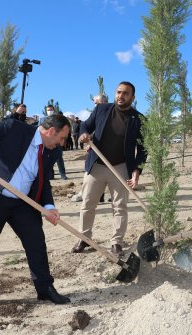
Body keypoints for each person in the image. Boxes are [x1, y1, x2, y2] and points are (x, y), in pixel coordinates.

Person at [0, 114, 72, 316]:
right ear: (51, 131)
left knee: (36, 242)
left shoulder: (52, 153)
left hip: (22, 202)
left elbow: (43, 181)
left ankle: (45, 289)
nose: (63, 143)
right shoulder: (15, 129)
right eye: (62, 138)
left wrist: (48, 206)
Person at [71, 81, 147, 257]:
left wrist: (136, 171)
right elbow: (85, 126)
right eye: (119, 92)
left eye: (125, 93)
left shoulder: (139, 120)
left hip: (120, 168)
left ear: (133, 97)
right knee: (88, 204)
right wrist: (83, 135)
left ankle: (116, 243)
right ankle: (85, 238)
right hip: (96, 165)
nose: (121, 96)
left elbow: (143, 149)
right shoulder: (101, 109)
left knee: (120, 207)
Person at [45, 105, 68, 180]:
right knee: (48, 159)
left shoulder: (58, 119)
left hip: (57, 142)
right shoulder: (43, 120)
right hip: (47, 142)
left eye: (51, 109)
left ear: (54, 110)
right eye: (48, 110)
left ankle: (62, 174)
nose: (49, 111)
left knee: (59, 158)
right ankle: (51, 175)